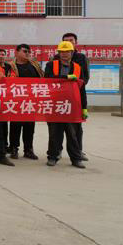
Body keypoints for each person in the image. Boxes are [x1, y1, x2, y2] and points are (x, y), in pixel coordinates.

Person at [45, 41, 87, 169]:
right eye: (62, 52)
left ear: (72, 52)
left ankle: (76, 158)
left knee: (73, 134)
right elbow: (47, 80)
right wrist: (66, 77)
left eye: (67, 51)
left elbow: (81, 88)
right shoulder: (51, 65)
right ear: (58, 53)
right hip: (55, 104)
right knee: (54, 133)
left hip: (72, 106)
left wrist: (84, 108)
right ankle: (53, 157)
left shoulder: (78, 68)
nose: (64, 54)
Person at [54, 32, 90, 161]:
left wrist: (75, 86)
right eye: (66, 40)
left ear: (76, 43)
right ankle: (57, 152)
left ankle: (78, 152)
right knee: (56, 128)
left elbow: (85, 78)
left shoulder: (81, 58)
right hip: (59, 98)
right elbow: (50, 78)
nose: (69, 42)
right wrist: (66, 80)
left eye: (71, 40)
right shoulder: (55, 58)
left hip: (75, 97)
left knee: (76, 128)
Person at [7, 44, 43, 160]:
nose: (28, 53)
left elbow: (43, 80)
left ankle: (28, 150)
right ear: (16, 52)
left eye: (29, 52)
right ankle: (14, 149)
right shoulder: (10, 66)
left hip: (30, 102)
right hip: (15, 102)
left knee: (30, 127)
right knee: (15, 127)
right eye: (25, 51)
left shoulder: (35, 65)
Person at [0, 48, 11, 154]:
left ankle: (5, 145)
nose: (1, 56)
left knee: (4, 125)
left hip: (5, 99)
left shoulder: (9, 67)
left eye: (2, 54)